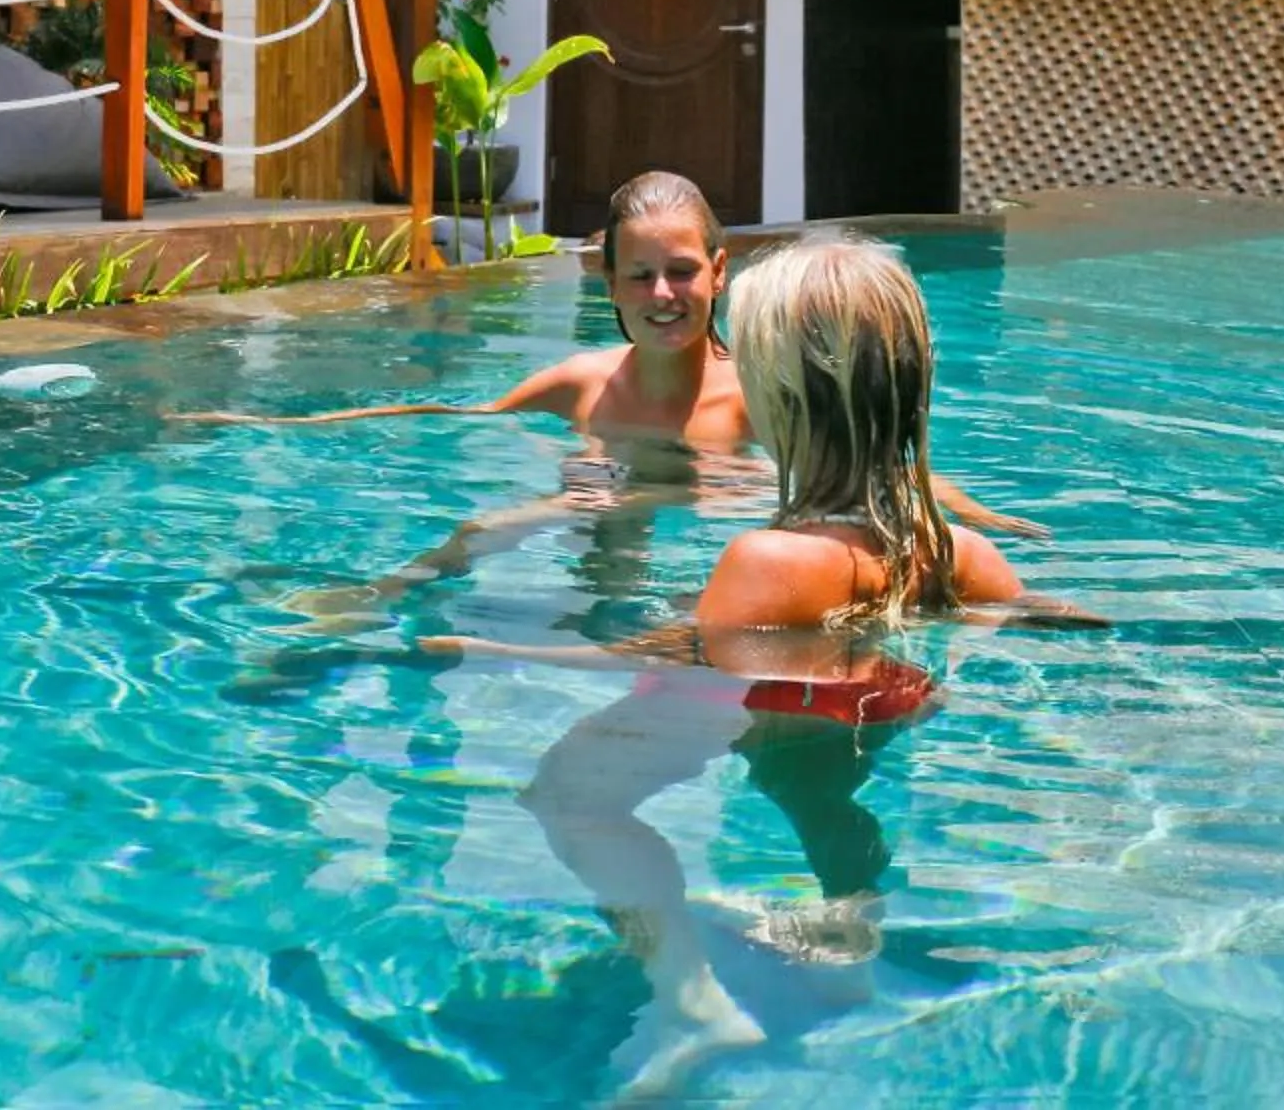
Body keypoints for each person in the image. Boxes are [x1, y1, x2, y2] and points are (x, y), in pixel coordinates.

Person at [419, 232, 1102, 1095]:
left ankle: (691, 997)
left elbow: (690, 659)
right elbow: (1019, 611)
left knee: (570, 795)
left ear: (783, 401)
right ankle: (852, 931)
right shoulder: (957, 548)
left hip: (758, 681)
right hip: (874, 694)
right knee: (814, 791)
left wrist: (494, 648)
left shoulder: (768, 561)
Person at [186, 172, 1040, 619]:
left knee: (591, 500)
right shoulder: (580, 382)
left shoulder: (755, 395)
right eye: (641, 275)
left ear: (718, 271)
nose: (663, 294)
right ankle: (377, 597)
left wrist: (991, 519)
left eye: (682, 272)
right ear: (609, 283)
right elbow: (457, 416)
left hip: (711, 530)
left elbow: (867, 462)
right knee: (489, 524)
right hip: (605, 507)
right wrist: (272, 421)